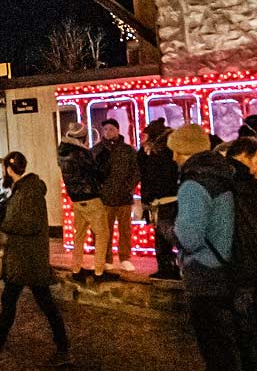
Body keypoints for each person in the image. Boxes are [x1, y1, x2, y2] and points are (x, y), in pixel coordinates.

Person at [169, 125, 257, 371]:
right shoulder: (225, 175)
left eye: (174, 151)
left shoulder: (195, 183)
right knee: (242, 363)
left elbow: (192, 236)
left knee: (221, 369)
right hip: (235, 279)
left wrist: (169, 229)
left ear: (182, 152)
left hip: (209, 280)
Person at [0, 153, 70, 366]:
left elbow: (29, 224)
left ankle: (63, 349)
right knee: (10, 302)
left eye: (4, 167)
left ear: (9, 169)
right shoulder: (22, 191)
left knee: (45, 304)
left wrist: (2, 223)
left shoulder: (29, 191)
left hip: (29, 260)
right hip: (21, 259)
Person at [90, 118, 141, 275]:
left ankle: (125, 258)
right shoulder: (97, 150)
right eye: (105, 129)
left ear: (118, 130)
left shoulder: (128, 150)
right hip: (105, 197)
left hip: (124, 196)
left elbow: (136, 171)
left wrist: (129, 187)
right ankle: (107, 258)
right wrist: (100, 189)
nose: (108, 132)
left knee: (125, 229)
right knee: (106, 230)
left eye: (111, 129)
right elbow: (92, 173)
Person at [57, 122, 102, 283]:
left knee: (79, 235)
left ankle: (76, 268)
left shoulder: (62, 151)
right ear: (82, 137)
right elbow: (95, 170)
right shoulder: (81, 153)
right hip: (90, 196)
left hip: (75, 198)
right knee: (102, 233)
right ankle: (99, 271)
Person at [139, 120, 181, 279]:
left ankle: (168, 267)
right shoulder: (157, 151)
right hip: (164, 198)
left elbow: (151, 176)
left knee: (165, 235)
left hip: (164, 199)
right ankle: (167, 266)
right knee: (164, 235)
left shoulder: (160, 153)